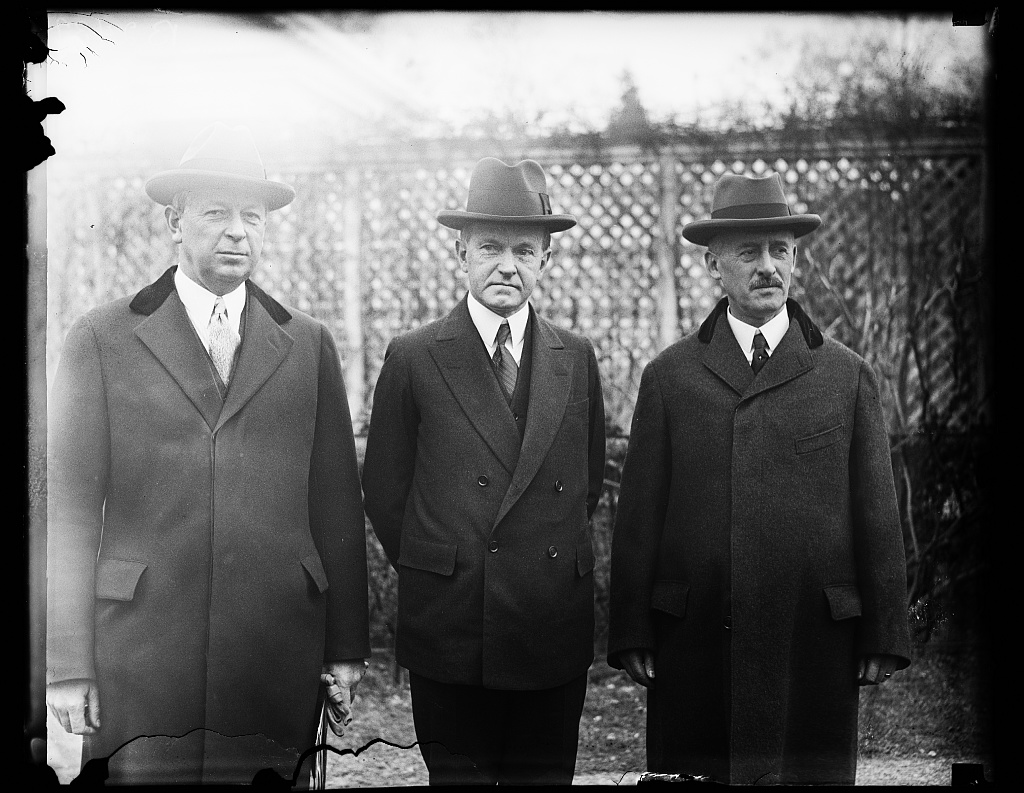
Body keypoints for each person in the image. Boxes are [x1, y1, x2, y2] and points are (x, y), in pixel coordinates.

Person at [46, 122, 371, 785]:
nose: (236, 231)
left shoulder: (307, 344)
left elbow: (337, 506)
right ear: (176, 220)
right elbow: (71, 514)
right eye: (216, 212)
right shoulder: (102, 339)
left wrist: (345, 648)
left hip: (274, 655)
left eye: (251, 216)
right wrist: (68, 663)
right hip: (142, 654)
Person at [607, 172, 911, 785]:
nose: (767, 266)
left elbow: (876, 511)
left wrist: (884, 630)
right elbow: (639, 516)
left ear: (796, 259)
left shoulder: (845, 375)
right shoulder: (671, 377)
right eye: (749, 252)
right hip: (695, 640)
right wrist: (633, 626)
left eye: (781, 250)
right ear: (714, 265)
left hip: (813, 639)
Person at [362, 157, 606, 785]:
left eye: (525, 250)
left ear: (546, 260)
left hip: (550, 626)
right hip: (452, 627)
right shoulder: (414, 357)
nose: (507, 264)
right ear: (461, 254)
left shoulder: (575, 358)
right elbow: (385, 491)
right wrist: (442, 560)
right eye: (491, 247)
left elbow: (586, 483)